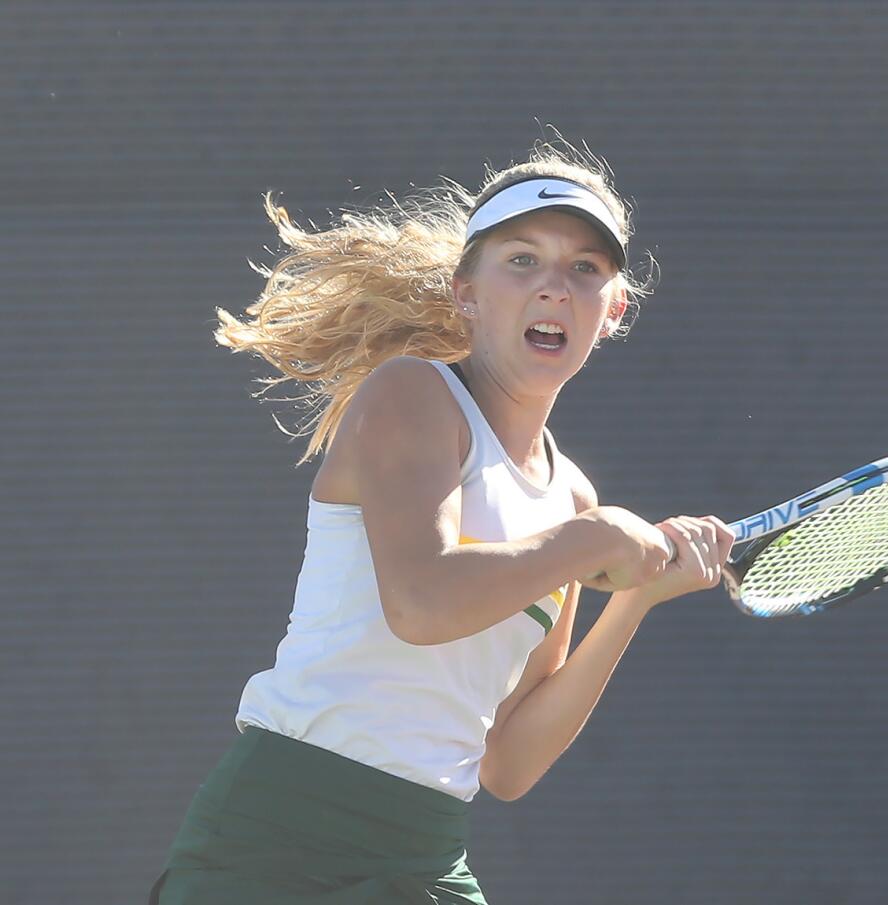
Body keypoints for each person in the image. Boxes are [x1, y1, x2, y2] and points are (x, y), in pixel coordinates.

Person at [150, 140, 735, 904]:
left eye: (584, 269)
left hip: (423, 853)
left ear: (613, 309)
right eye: (522, 260)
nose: (555, 287)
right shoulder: (413, 396)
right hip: (277, 837)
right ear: (467, 293)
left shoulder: (576, 502)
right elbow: (420, 604)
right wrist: (587, 544)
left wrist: (633, 600)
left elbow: (510, 761)